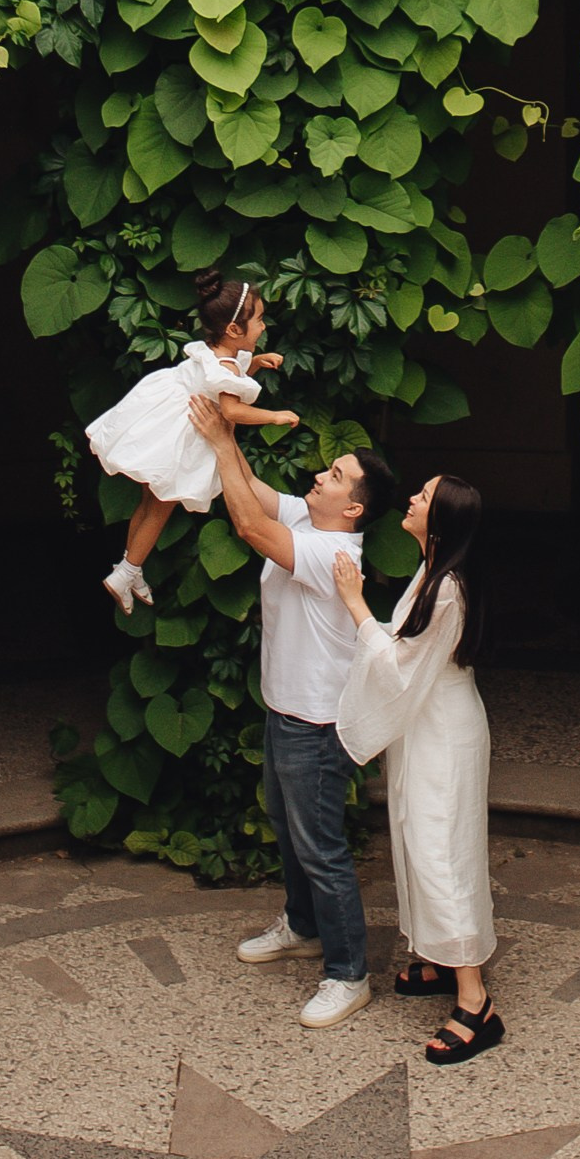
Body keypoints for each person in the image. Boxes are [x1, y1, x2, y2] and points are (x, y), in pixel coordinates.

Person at [187, 388, 401, 1030]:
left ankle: (348, 974)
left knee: (321, 847)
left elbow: (249, 527)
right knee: (288, 826)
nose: (318, 475)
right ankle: (303, 928)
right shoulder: (309, 523)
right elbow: (249, 490)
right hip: (286, 711)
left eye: (334, 476)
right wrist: (224, 431)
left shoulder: (333, 554)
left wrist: (223, 442)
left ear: (354, 507)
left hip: (317, 727)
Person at [333, 478, 501, 1064]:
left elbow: (401, 667)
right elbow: (406, 653)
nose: (411, 499)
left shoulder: (447, 588)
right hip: (427, 725)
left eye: (423, 496)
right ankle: (439, 955)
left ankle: (475, 1001)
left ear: (440, 520)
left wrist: (355, 604)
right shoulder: (433, 571)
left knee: (440, 852)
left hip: (444, 734)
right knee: (415, 838)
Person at [85, 275, 299, 610]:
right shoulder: (226, 364)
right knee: (159, 509)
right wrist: (273, 416)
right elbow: (231, 407)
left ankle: (130, 565)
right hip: (181, 437)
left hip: (164, 420)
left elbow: (226, 382)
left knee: (148, 502)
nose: (263, 326)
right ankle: (126, 572)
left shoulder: (218, 352)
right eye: (258, 320)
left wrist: (254, 364)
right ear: (233, 330)